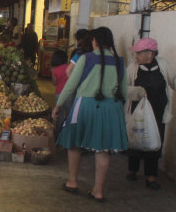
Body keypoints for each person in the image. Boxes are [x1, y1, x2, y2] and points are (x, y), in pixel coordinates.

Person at [52, 27, 128, 202]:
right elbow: (124, 91)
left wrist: (58, 105)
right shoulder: (119, 61)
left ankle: (73, 182)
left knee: (74, 144)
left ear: (95, 41)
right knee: (102, 150)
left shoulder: (86, 58)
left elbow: (70, 85)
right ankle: (98, 191)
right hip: (112, 107)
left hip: (85, 105)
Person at [125, 38, 176, 189]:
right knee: (135, 138)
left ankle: (151, 176)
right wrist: (137, 92)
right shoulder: (133, 67)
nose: (136, 56)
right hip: (137, 112)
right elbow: (124, 87)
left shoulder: (162, 64)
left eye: (138, 53)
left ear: (149, 54)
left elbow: (173, 80)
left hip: (158, 112)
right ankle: (132, 169)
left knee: (155, 142)